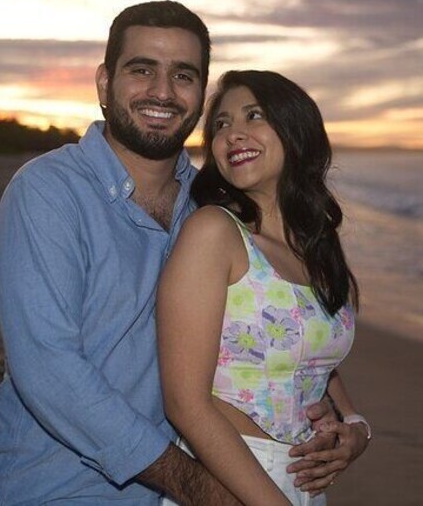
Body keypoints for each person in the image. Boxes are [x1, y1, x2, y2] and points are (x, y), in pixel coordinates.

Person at [0, 2, 352, 505]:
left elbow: (255, 328)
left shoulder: (213, 209)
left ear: (199, 96)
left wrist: (338, 414)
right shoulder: (47, 193)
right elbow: (49, 370)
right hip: (54, 490)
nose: (162, 92)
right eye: (142, 69)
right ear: (105, 84)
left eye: (183, 75)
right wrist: (195, 485)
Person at [157, 70, 371, 506]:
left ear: (295, 129)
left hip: (305, 484)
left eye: (253, 116)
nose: (233, 134)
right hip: (233, 477)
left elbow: (313, 353)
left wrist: (356, 427)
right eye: (221, 125)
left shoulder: (315, 247)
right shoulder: (214, 232)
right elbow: (185, 403)